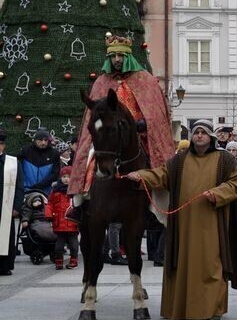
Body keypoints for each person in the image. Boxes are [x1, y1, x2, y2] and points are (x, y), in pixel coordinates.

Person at [124, 119, 237, 320]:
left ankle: (213, 309)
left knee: (211, 264)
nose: (199, 136)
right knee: (182, 263)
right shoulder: (179, 160)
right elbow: (161, 175)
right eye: (196, 132)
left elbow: (236, 183)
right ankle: (180, 309)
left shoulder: (224, 160)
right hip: (183, 224)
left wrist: (217, 193)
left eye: (203, 133)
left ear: (211, 137)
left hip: (211, 223)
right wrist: (141, 175)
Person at [68, 35, 174, 221]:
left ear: (128, 57)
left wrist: (143, 124)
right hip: (108, 136)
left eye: (121, 55)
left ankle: (157, 207)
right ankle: (79, 202)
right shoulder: (102, 81)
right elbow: (93, 115)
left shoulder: (146, 80)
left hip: (138, 134)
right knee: (89, 156)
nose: (117, 60)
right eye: (113, 56)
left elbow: (155, 114)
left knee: (157, 161)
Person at [0, 130, 24, 276]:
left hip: (6, 206)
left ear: (4, 146)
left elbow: (20, 186)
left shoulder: (13, 163)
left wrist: (17, 206)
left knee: (5, 237)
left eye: (1, 144)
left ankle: (4, 266)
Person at [47, 166, 79, 270]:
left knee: (74, 245)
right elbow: (50, 203)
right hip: (59, 223)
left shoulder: (75, 191)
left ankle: (73, 260)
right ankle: (59, 261)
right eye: (64, 176)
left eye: (69, 177)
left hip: (72, 223)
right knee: (59, 246)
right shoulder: (55, 191)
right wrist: (48, 214)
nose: (66, 179)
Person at [19, 129, 59, 195]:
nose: (43, 143)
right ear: (35, 140)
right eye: (40, 140)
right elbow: (18, 168)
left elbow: (55, 174)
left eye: (46, 140)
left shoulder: (54, 153)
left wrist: (40, 185)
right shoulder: (25, 150)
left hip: (46, 191)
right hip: (26, 190)